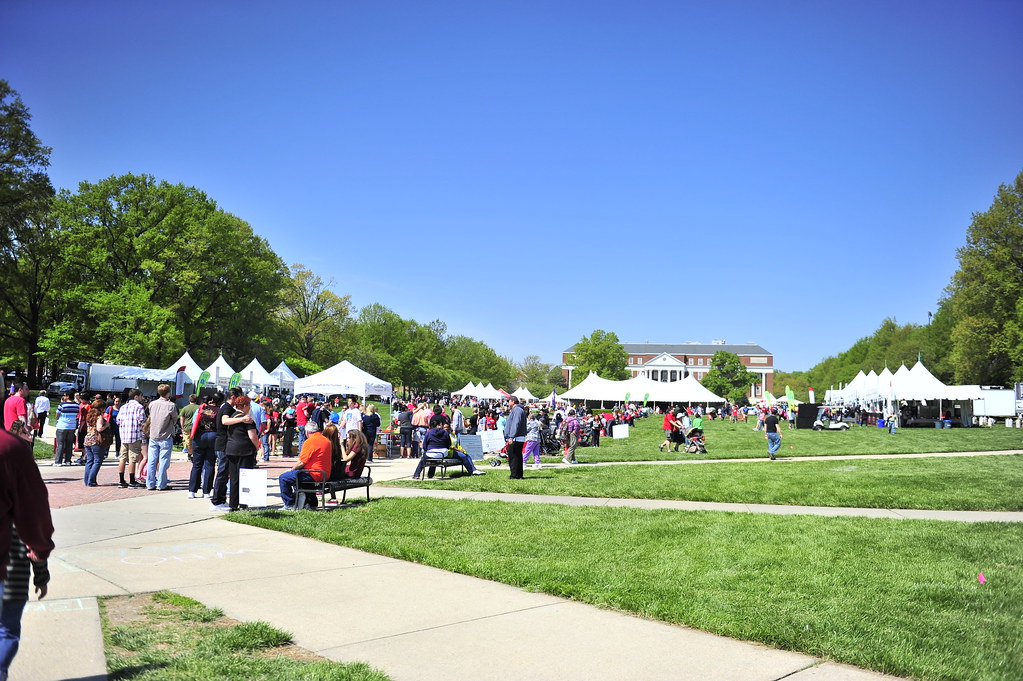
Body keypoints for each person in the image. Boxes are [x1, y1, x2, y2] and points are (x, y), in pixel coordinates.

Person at [0, 428, 55, 681]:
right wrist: (41, 571)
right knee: (6, 630)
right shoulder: (10, 448)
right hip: (8, 564)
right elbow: (34, 515)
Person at [279, 420, 332, 510]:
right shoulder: (326, 440)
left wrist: (291, 469)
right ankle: (311, 503)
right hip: (324, 473)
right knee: (298, 475)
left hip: (313, 473)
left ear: (307, 432)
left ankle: (290, 504)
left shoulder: (310, 442)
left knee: (284, 478)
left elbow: (302, 462)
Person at [220, 395, 261, 511]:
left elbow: (224, 422)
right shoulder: (247, 419)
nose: (250, 408)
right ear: (245, 406)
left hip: (231, 449)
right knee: (245, 478)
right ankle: (243, 504)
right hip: (245, 450)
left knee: (234, 478)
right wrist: (257, 447)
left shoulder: (232, 416)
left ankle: (233, 504)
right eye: (249, 405)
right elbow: (252, 436)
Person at [412, 416, 485, 479]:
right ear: (440, 425)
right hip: (443, 453)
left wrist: (428, 449)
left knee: (423, 459)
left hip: (432, 453)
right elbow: (448, 444)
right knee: (437, 455)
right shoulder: (445, 433)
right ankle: (430, 474)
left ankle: (417, 475)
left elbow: (424, 446)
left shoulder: (429, 433)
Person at [208, 390, 237, 511]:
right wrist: (241, 419)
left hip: (221, 443)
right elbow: (225, 421)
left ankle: (220, 499)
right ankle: (216, 501)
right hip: (223, 444)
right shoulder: (227, 408)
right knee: (222, 472)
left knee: (224, 473)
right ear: (234, 397)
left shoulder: (224, 407)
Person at [145, 384, 178, 491]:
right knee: (163, 461)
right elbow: (175, 419)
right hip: (166, 435)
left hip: (153, 435)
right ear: (168, 393)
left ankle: (150, 483)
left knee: (152, 460)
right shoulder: (171, 406)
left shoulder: (152, 404)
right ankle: (161, 483)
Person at [187, 395, 220, 499]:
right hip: (213, 437)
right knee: (210, 464)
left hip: (200, 436)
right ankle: (206, 492)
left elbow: (194, 423)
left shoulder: (200, 409)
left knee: (197, 464)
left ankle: (192, 490)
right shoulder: (219, 411)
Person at [116, 390, 145, 487]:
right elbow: (142, 421)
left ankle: (121, 480)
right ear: (136, 397)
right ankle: (132, 481)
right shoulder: (139, 407)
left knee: (122, 457)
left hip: (123, 436)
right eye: (141, 396)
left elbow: (118, 420)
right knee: (133, 458)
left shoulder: (123, 407)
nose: (142, 398)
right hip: (134, 436)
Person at [82, 398, 108, 487]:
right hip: (96, 441)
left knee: (90, 461)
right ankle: (91, 481)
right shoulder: (99, 417)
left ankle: (87, 480)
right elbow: (99, 428)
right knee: (97, 461)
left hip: (87, 440)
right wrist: (106, 425)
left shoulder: (89, 415)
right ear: (101, 408)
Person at [53, 391, 79, 467]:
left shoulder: (62, 405)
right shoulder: (76, 405)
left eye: (64, 395)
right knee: (69, 444)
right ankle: (68, 460)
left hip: (62, 426)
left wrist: (58, 419)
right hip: (72, 426)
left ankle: (58, 461)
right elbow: (77, 414)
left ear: (67, 396)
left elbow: (57, 414)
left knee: (60, 444)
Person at [503, 396, 527, 479]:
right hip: (516, 437)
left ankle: (514, 475)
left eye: (509, 401)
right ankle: (519, 474)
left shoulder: (517, 410)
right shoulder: (518, 410)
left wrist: (511, 436)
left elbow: (515, 424)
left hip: (515, 438)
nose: (508, 403)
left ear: (513, 401)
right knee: (517, 457)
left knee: (513, 457)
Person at [178, 395, 199, 460]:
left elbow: (181, 418)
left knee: (188, 442)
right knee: (196, 440)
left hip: (187, 427)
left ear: (189, 400)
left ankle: (189, 454)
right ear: (196, 400)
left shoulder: (185, 408)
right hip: (196, 427)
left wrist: (182, 427)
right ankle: (195, 453)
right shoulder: (199, 407)